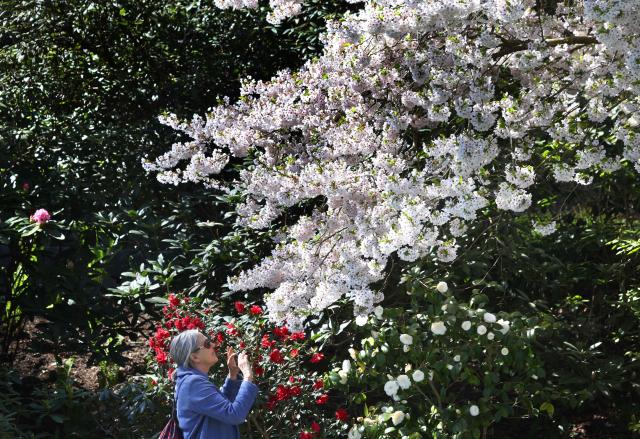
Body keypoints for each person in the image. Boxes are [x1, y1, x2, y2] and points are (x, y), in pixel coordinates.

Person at [169, 329, 259, 439]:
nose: (213, 344)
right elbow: (234, 415)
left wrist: (233, 375)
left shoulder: (190, 381)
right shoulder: (192, 384)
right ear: (194, 357)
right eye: (207, 344)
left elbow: (220, 408)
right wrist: (247, 376)